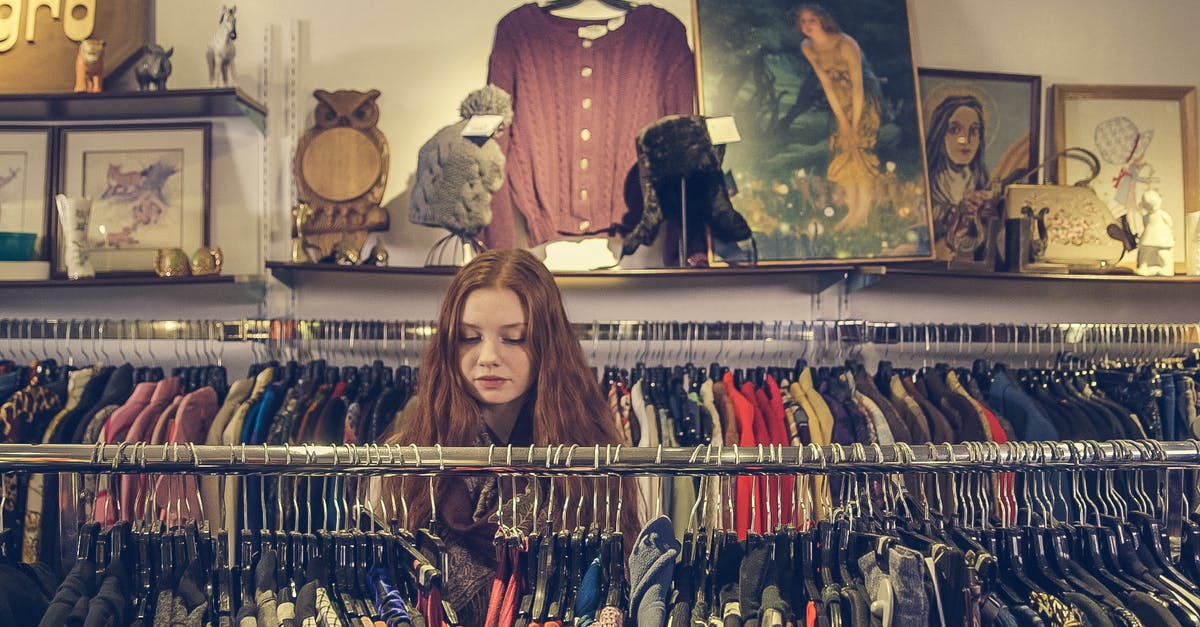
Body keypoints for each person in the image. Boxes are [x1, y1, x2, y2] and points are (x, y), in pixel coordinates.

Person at [380, 248, 639, 625]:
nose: (488, 356)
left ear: (548, 345)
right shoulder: (406, 461)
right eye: (469, 338)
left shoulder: (595, 465)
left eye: (514, 338)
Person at [796, 3, 882, 232]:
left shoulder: (846, 44)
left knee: (860, 153)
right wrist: (843, 122)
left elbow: (858, 87)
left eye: (811, 20)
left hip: (862, 101)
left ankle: (862, 213)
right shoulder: (808, 47)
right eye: (803, 21)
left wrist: (854, 124)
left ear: (822, 20)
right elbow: (826, 84)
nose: (807, 26)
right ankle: (852, 212)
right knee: (845, 153)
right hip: (840, 103)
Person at [925, 94, 995, 255]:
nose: (966, 140)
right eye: (955, 130)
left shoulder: (982, 182)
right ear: (941, 134)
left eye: (974, 131)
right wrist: (957, 212)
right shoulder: (926, 184)